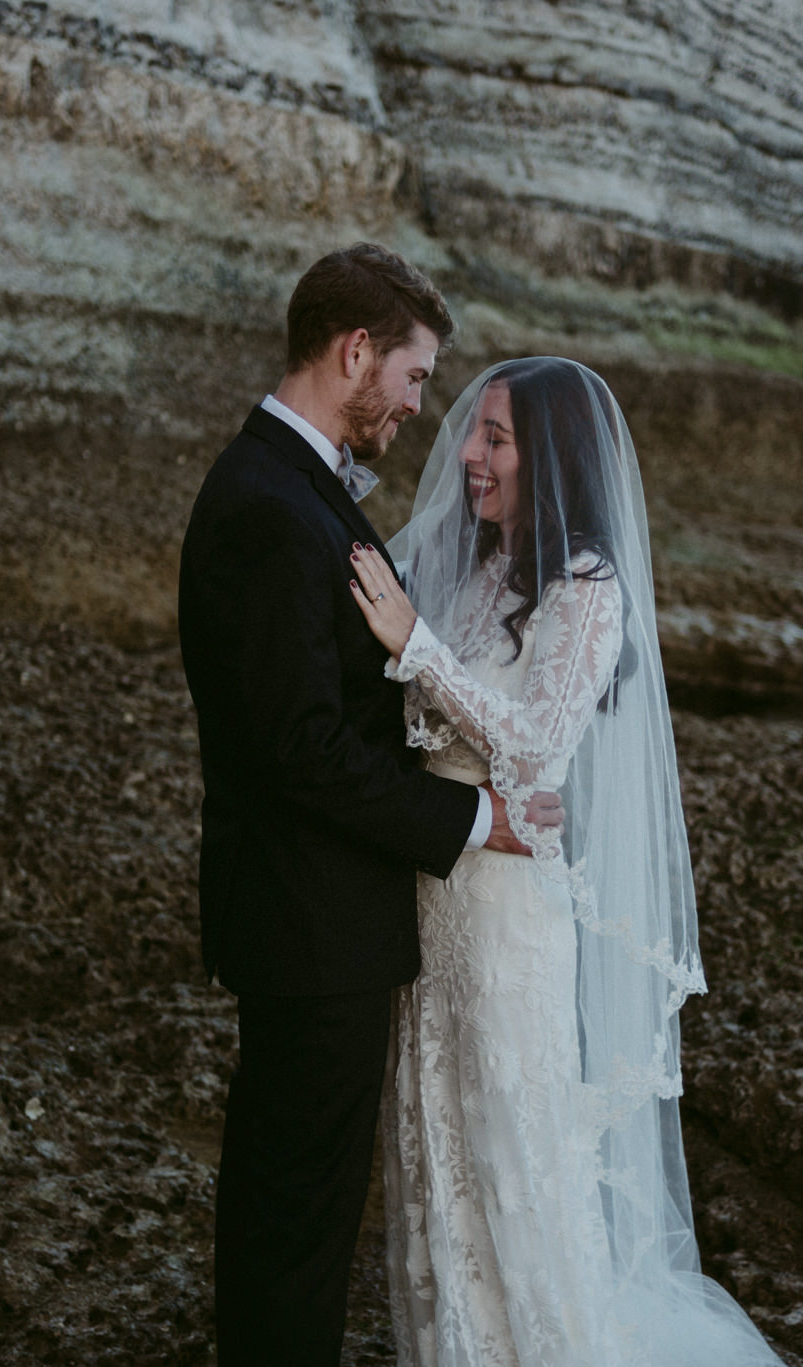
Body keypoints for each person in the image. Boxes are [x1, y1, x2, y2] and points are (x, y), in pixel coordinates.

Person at [346, 358, 784, 1366]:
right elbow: (423, 710)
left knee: (512, 1161)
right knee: (440, 1161)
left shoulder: (587, 590)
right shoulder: (481, 568)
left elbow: (537, 744)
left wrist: (416, 646)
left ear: (551, 456)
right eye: (474, 432)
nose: (466, 453)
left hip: (506, 920)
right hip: (436, 901)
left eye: (494, 438)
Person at [176, 244, 556, 1366]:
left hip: (313, 916)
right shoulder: (265, 506)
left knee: (291, 1207)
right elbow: (302, 747)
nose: (414, 405)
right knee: (295, 1217)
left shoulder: (286, 487)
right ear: (354, 352)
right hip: (310, 923)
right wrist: (469, 820)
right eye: (412, 375)